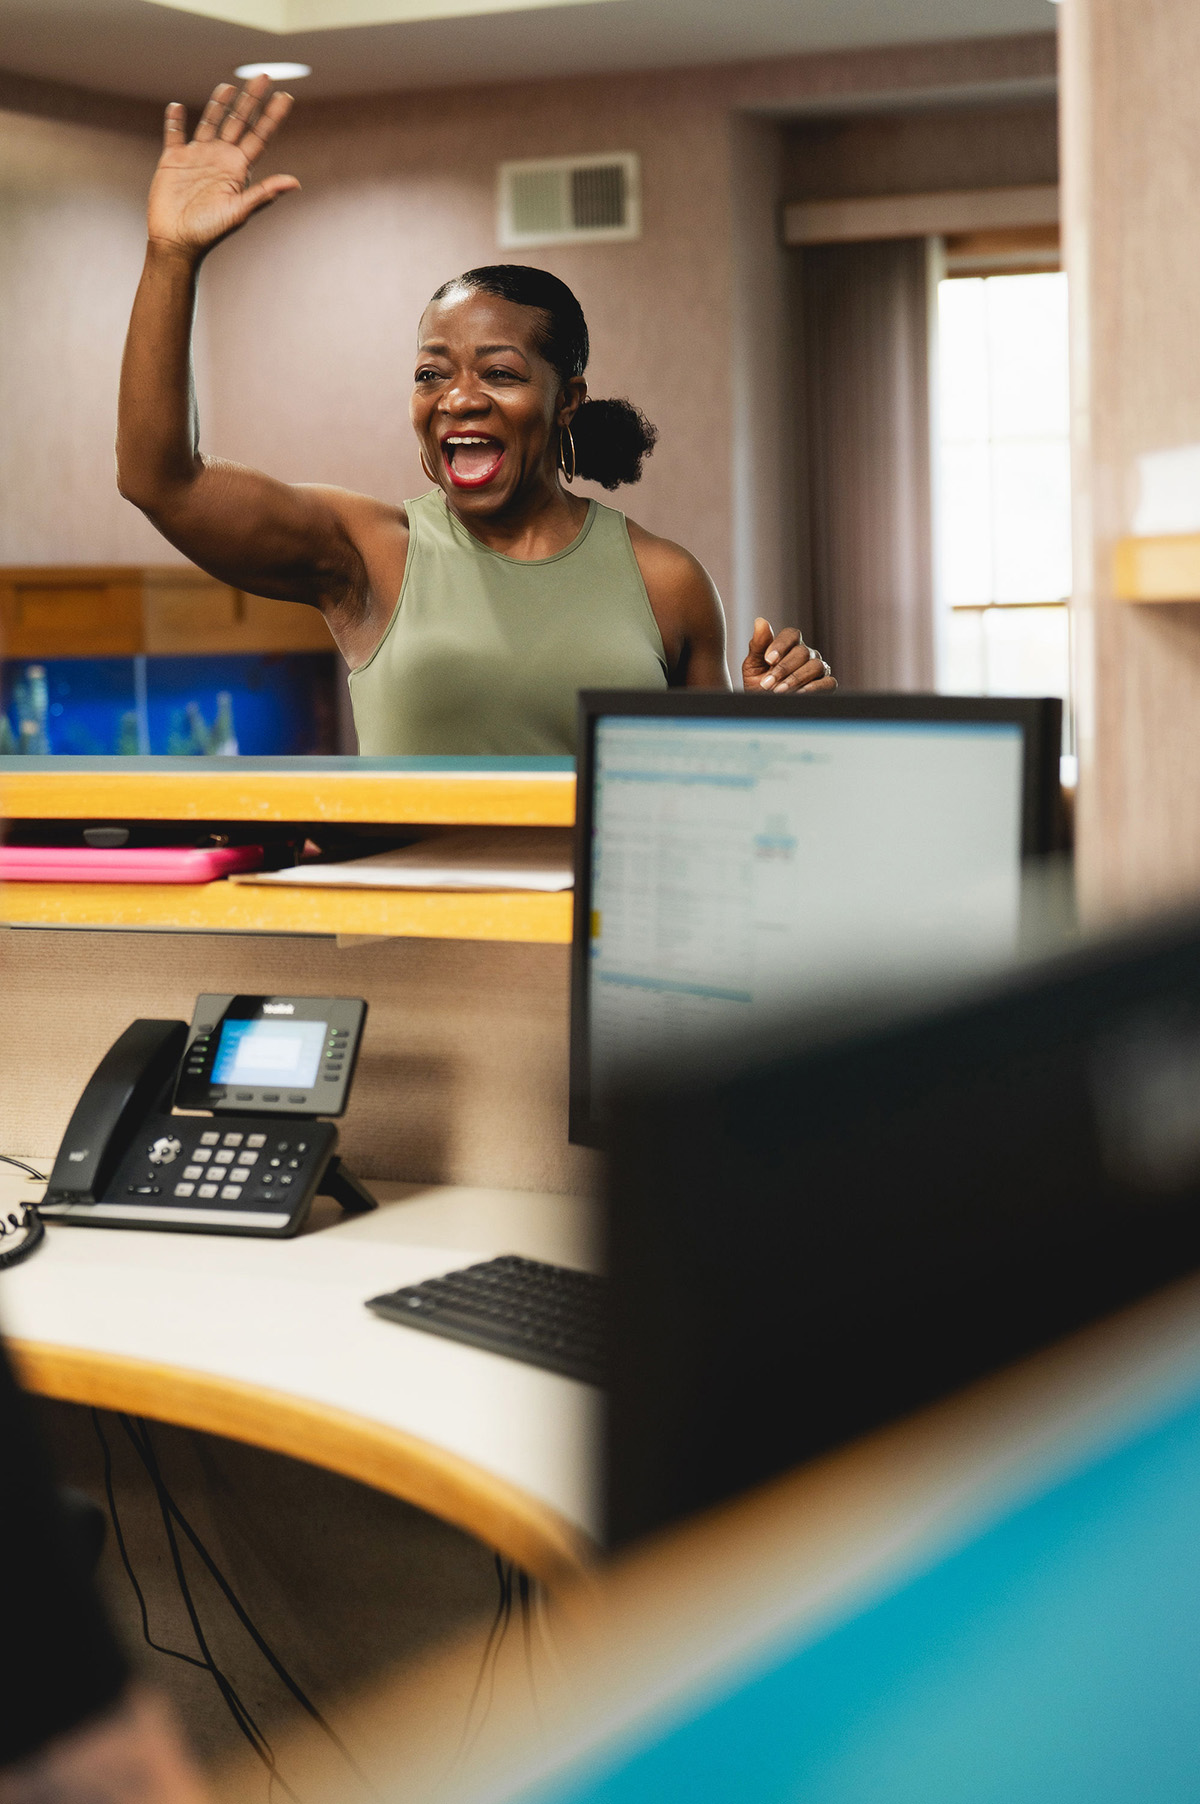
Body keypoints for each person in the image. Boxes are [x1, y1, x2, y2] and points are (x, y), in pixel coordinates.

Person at [117, 77, 836, 757]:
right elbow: (161, 481)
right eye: (432, 373)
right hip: (413, 891)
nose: (458, 398)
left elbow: (702, 803)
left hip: (585, 896)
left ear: (568, 401)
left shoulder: (666, 580)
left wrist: (770, 722)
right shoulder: (370, 555)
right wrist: (170, 259)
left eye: (499, 373)